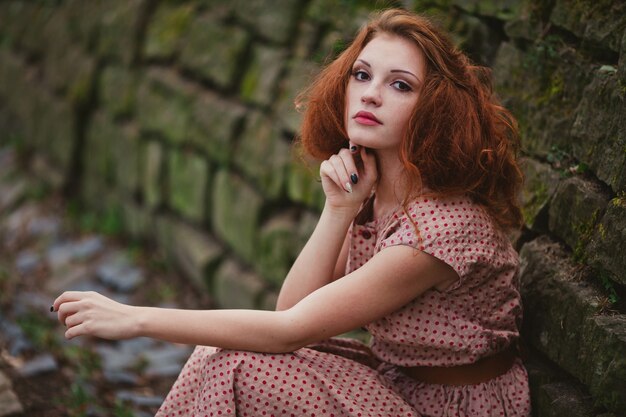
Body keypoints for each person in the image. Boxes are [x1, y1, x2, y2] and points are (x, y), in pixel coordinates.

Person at [53, 8, 531, 417]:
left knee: (239, 364)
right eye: (361, 75)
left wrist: (134, 318)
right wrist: (340, 209)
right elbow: (291, 309)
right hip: (399, 387)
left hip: (451, 408)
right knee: (221, 350)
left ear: (435, 109)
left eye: (400, 85)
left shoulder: (437, 231)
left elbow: (288, 331)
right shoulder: (382, 196)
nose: (369, 94)